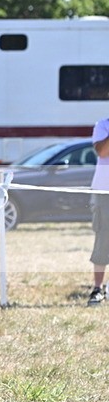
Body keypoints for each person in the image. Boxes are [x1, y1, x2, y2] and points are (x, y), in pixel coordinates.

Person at [88, 117, 109, 305]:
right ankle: (98, 288)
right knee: (103, 238)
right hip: (105, 192)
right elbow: (102, 152)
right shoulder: (103, 125)